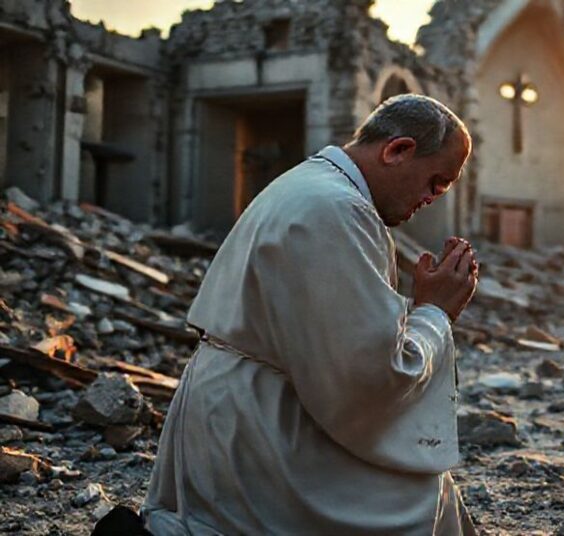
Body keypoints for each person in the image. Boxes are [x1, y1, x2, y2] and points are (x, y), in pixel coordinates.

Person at [140, 94, 478, 535]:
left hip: (242, 411)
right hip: (260, 431)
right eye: (437, 181)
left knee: (434, 491)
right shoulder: (339, 210)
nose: (433, 197)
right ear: (398, 150)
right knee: (416, 502)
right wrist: (435, 312)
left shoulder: (315, 186)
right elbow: (369, 380)